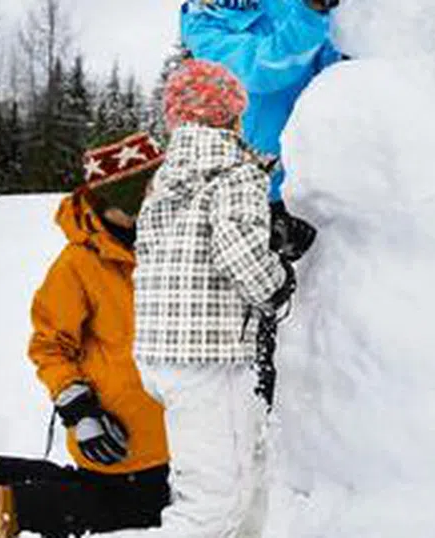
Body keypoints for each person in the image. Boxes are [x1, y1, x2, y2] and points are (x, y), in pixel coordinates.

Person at [0, 132, 171, 538]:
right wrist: (81, 411)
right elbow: (48, 344)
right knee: (134, 509)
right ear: (120, 198)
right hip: (118, 425)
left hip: (160, 420)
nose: (157, 198)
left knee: (101, 488)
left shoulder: (161, 244)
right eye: (146, 190)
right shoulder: (79, 264)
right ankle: (16, 508)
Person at [132, 58, 295, 538]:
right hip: (208, 356)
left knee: (244, 473)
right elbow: (237, 251)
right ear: (233, 116)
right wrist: (278, 279)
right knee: (212, 502)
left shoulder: (165, 179)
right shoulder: (236, 174)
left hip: (163, 354)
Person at [179, 0, 341, 259]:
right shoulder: (205, 28)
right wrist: (312, 12)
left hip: (332, 156)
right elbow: (262, 68)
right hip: (270, 190)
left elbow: (329, 43)